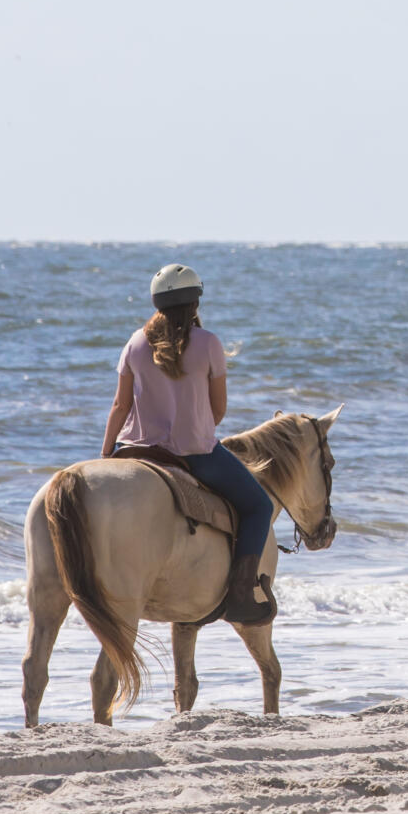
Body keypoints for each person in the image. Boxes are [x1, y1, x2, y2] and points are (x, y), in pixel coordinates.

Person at [101, 263, 276, 624]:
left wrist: (106, 453)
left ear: (157, 303)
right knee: (258, 506)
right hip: (194, 454)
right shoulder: (209, 343)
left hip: (133, 450)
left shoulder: (134, 343)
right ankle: (242, 594)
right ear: (195, 303)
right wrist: (193, 426)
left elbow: (120, 405)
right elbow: (218, 409)